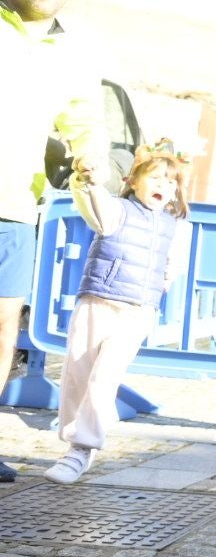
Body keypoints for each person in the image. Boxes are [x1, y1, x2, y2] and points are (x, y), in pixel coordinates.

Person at [0, 0, 106, 483]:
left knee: (0, 329)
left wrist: (93, 165)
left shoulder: (74, 50)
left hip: (14, 206)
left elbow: (84, 122)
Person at [46, 144, 192, 484]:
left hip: (136, 311)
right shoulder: (117, 210)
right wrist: (92, 181)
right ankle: (72, 441)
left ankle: (82, 448)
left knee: (104, 377)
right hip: (97, 301)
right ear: (134, 180)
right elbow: (97, 206)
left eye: (170, 182)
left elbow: (173, 268)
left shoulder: (176, 227)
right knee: (77, 373)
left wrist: (153, 295)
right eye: (155, 177)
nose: (163, 186)